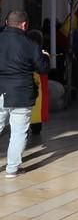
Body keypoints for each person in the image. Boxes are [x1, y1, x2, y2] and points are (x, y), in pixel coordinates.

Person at [0, 11, 50, 178]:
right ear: (23, 24)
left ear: (7, 22)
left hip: (0, 90)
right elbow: (42, 68)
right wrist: (45, 57)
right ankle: (12, 168)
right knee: (18, 132)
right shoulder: (30, 44)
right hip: (21, 93)